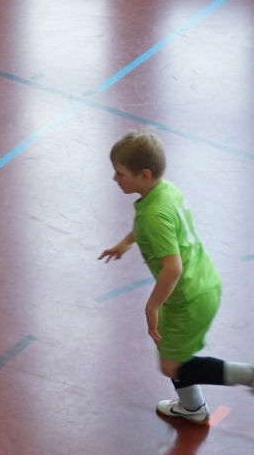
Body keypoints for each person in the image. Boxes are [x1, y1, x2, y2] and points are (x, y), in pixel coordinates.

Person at [99, 128, 254, 424]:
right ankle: (192, 408)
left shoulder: (153, 215)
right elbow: (154, 228)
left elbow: (172, 269)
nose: (114, 178)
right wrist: (126, 243)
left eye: (120, 173)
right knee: (169, 348)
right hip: (204, 282)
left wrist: (151, 307)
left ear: (144, 175)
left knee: (172, 366)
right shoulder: (164, 191)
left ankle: (248, 375)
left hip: (187, 297)